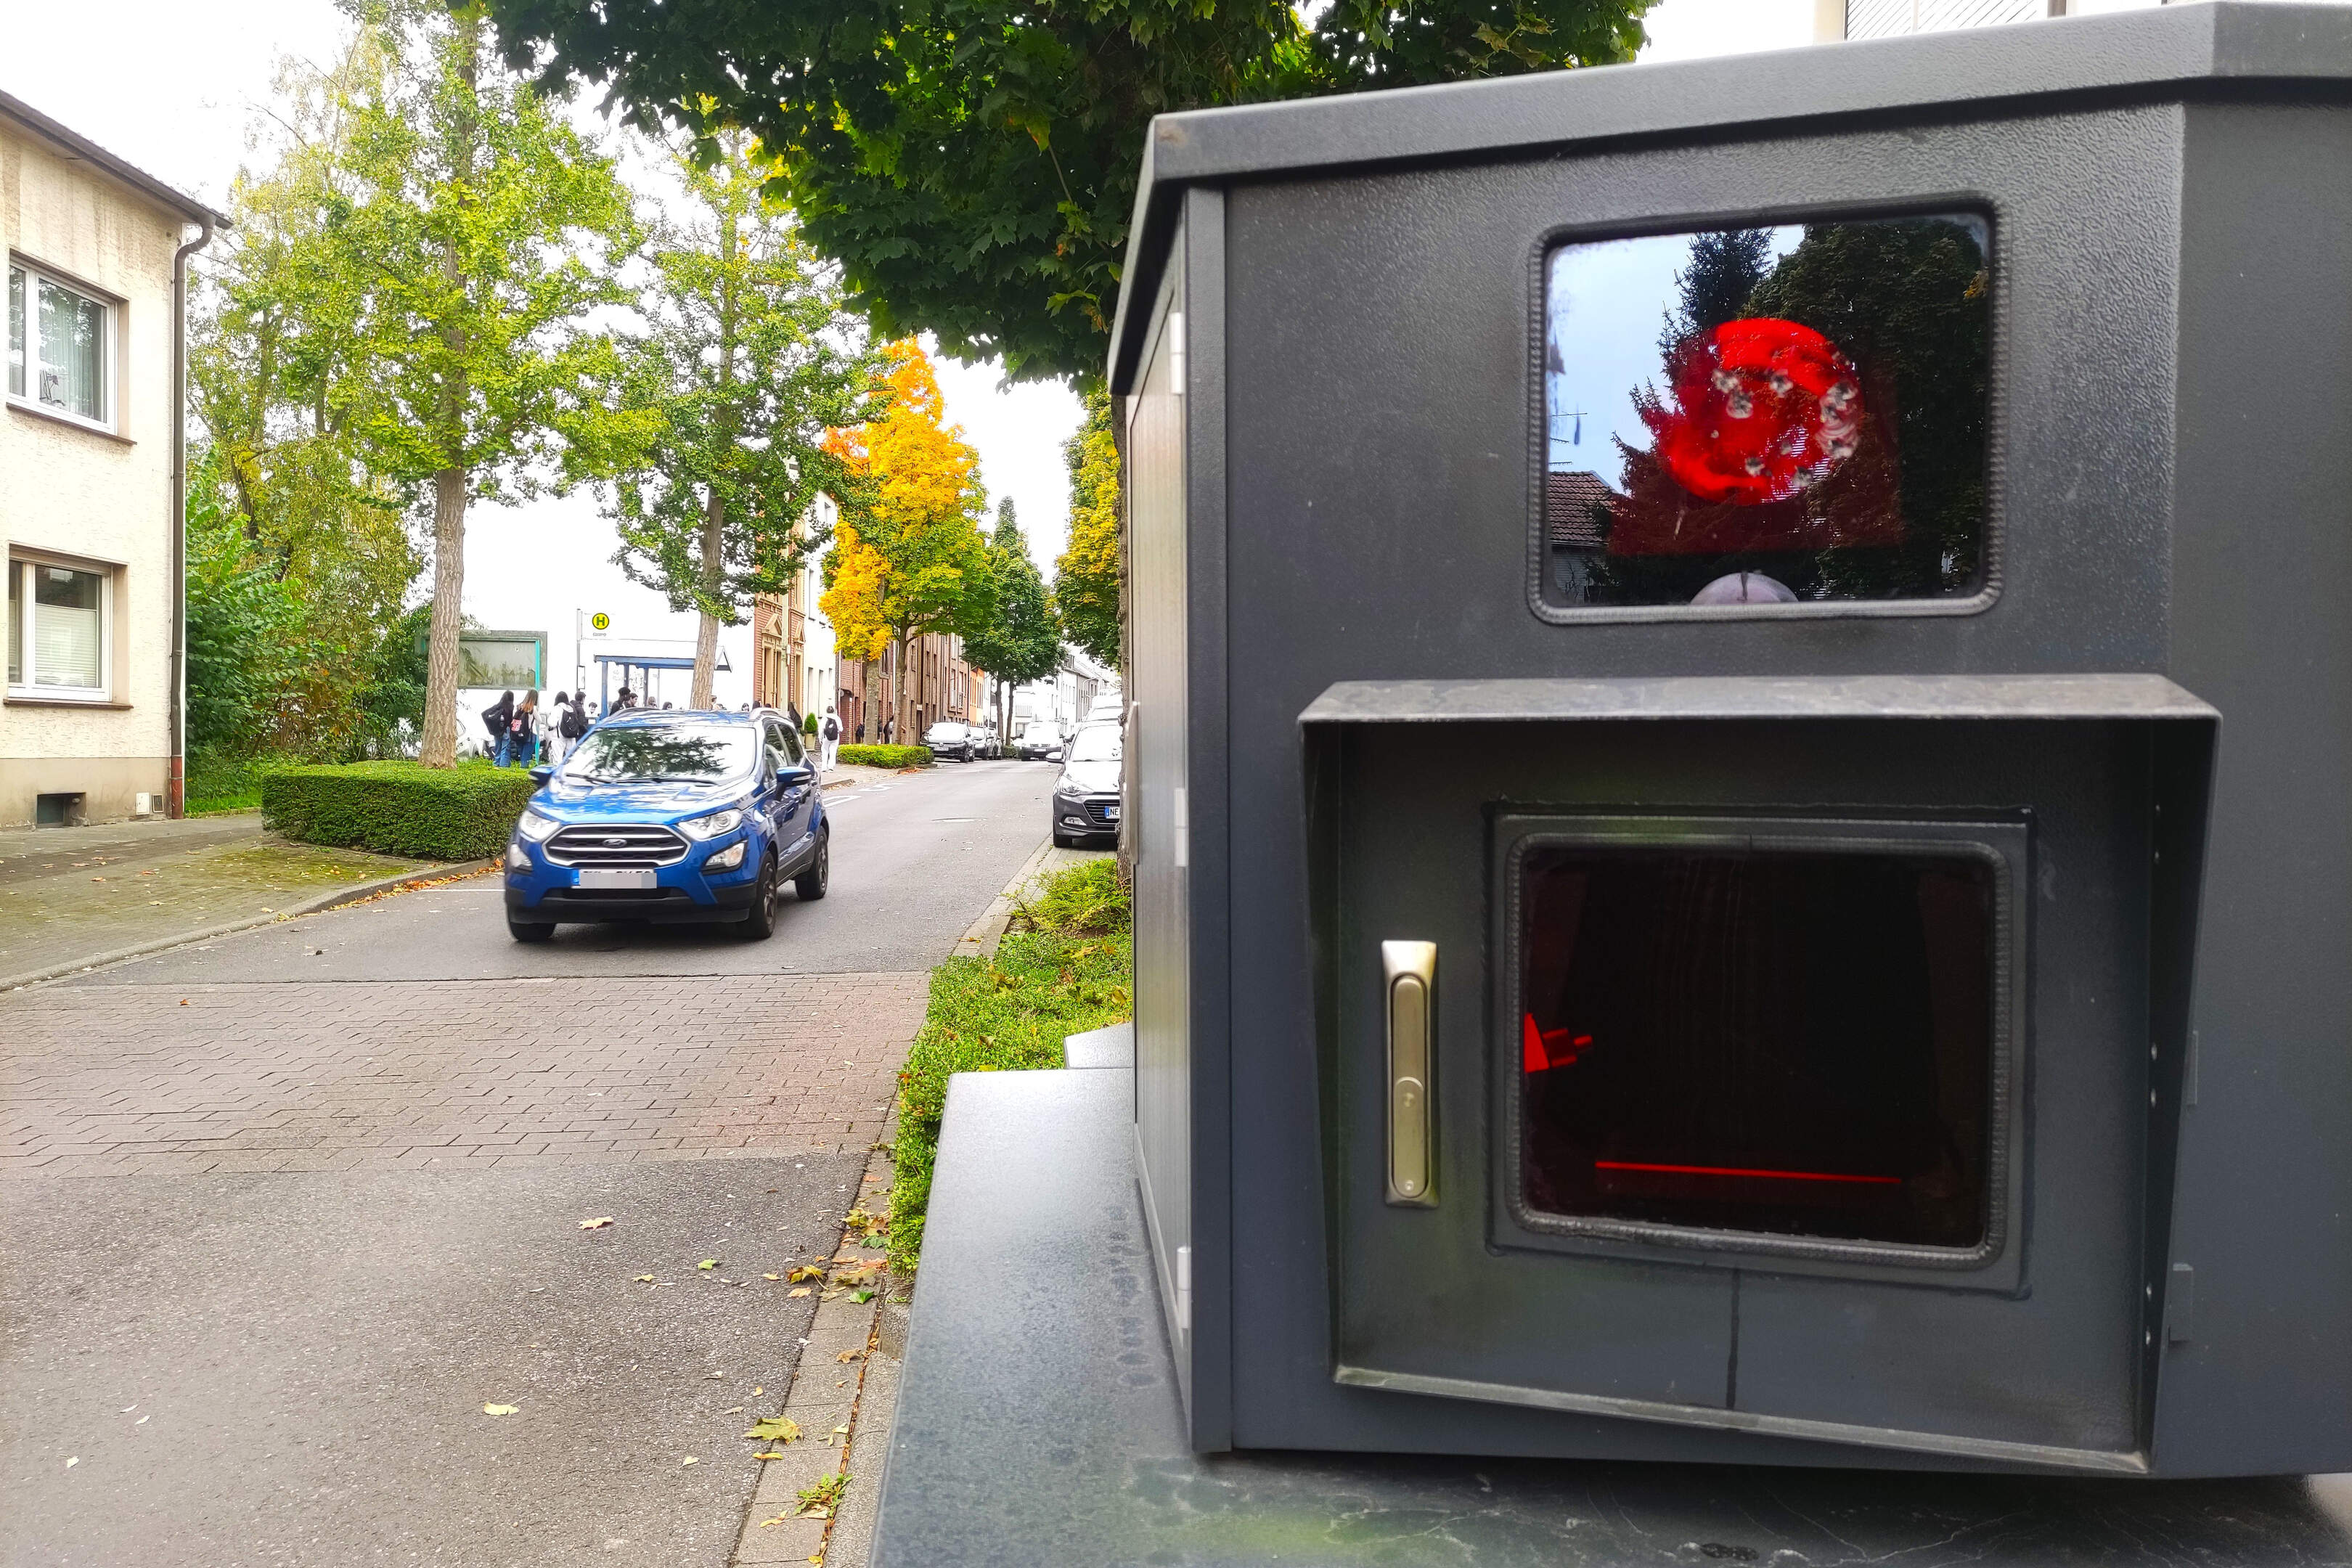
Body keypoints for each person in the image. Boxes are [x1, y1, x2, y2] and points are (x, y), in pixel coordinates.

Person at [509, 690, 539, 768]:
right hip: (530, 736)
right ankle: (524, 774)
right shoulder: (533, 708)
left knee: (522, 756)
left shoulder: (519, 706)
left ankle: (522, 771)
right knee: (526, 758)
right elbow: (539, 720)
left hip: (518, 735)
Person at [484, 690, 515, 765]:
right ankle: (503, 764)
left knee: (497, 747)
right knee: (505, 748)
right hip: (506, 730)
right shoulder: (510, 707)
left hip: (497, 730)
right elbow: (509, 720)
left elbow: (486, 713)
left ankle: (496, 763)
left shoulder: (498, 705)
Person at [820, 705, 842, 771]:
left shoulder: (824, 718)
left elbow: (821, 729)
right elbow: (841, 729)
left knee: (825, 751)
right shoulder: (837, 718)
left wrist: (820, 738)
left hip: (826, 737)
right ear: (833, 711)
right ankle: (831, 767)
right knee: (833, 751)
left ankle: (824, 767)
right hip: (835, 737)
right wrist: (837, 732)